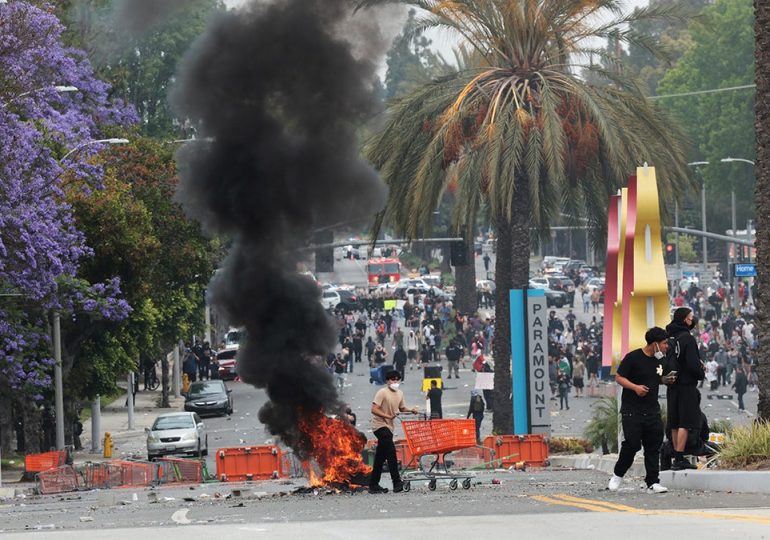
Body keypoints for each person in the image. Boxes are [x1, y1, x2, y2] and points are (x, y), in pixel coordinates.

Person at [607, 327, 675, 494]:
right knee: (632, 444)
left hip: (652, 410)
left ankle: (653, 482)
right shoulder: (633, 357)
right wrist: (635, 387)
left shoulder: (660, 360)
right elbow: (619, 377)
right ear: (655, 344)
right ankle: (617, 475)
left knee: (653, 446)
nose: (667, 346)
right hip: (632, 410)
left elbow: (660, 376)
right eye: (664, 343)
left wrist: (666, 379)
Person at [665, 307, 705, 471]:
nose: (692, 320)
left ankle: (677, 457)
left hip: (672, 384)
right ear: (684, 319)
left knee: (674, 422)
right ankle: (680, 457)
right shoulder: (687, 338)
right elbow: (692, 364)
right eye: (690, 317)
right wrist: (701, 372)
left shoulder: (669, 337)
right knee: (686, 422)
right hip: (686, 385)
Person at [369, 370, 418, 494]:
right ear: (387, 381)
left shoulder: (400, 393)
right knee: (391, 452)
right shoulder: (382, 392)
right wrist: (387, 416)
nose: (395, 382)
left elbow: (401, 408)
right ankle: (396, 482)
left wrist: (411, 410)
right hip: (379, 426)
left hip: (390, 427)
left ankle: (373, 484)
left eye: (397, 379)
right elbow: (374, 409)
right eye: (392, 379)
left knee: (380, 457)